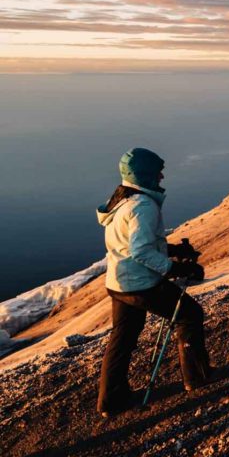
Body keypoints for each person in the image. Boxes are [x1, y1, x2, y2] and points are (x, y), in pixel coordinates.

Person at [96, 147, 210, 417]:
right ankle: (196, 378)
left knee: (122, 339)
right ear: (144, 175)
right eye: (157, 172)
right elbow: (140, 251)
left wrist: (173, 250)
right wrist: (175, 268)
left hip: (117, 282)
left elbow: (131, 242)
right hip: (139, 283)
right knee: (190, 315)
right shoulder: (143, 206)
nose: (161, 176)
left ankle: (110, 401)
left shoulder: (121, 199)